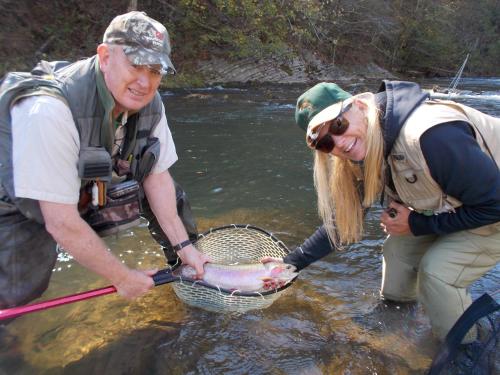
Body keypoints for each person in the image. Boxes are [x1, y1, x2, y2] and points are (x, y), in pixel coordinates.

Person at [0, 11, 210, 310]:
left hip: (91, 178)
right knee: (19, 290)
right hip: (19, 200)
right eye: (136, 64)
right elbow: (60, 223)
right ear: (105, 56)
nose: (145, 81)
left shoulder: (150, 105)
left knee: (170, 194)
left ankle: (185, 266)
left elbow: (157, 176)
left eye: (155, 70)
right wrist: (122, 277)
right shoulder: (48, 110)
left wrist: (185, 247)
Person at [277, 81, 500, 343]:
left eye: (338, 125)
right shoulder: (361, 152)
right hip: (461, 204)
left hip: (492, 208)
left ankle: (465, 345)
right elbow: (342, 224)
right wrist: (289, 265)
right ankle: (398, 311)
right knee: (397, 250)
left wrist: (417, 224)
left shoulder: (432, 137)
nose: (339, 142)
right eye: (325, 142)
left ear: (359, 106)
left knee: (438, 273)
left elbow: (495, 205)